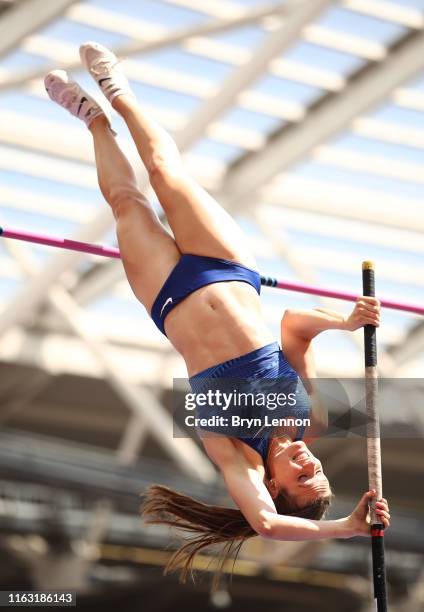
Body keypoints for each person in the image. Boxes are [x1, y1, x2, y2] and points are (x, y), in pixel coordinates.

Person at [44, 42, 390, 584]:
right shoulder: (314, 417)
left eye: (302, 476)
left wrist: (347, 527)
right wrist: (344, 322)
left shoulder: (239, 459)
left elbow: (270, 528)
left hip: (167, 296)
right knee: (163, 170)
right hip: (228, 267)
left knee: (128, 203)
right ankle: (118, 90)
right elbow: (294, 325)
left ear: (274, 486)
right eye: (318, 469)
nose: (308, 461)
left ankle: (94, 123)